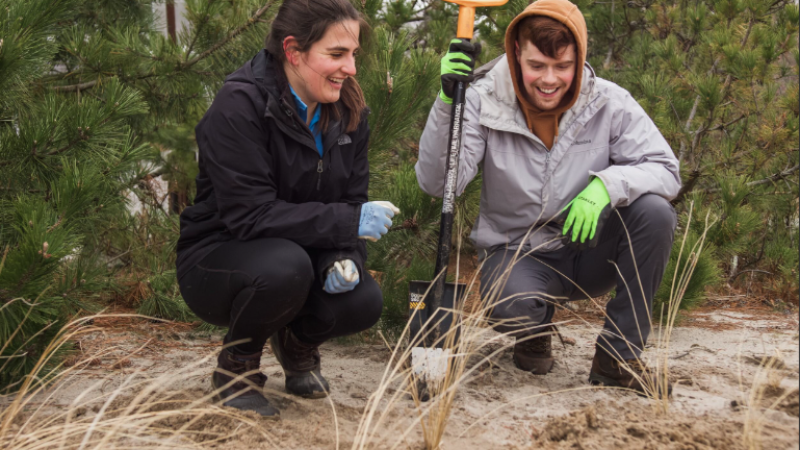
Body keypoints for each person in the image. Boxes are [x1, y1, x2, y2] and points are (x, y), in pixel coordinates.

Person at [416, 0, 681, 397]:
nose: (549, 79)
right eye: (537, 65)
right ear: (515, 55)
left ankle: (617, 357)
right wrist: (447, 101)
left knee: (656, 213)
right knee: (514, 308)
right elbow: (439, 184)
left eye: (563, 66)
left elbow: (664, 169)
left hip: (592, 247)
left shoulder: (609, 101)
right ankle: (533, 329)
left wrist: (605, 186)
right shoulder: (480, 99)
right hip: (519, 253)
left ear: (579, 59)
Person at [176, 0, 398, 418]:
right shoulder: (239, 106)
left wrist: (343, 258)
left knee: (363, 299)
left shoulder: (349, 110)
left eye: (353, 55)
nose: (350, 68)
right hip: (219, 257)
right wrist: (351, 223)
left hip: (301, 253)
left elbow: (349, 201)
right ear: (293, 51)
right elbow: (251, 216)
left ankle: (296, 345)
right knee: (286, 266)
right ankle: (237, 370)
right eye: (336, 55)